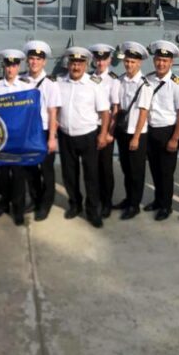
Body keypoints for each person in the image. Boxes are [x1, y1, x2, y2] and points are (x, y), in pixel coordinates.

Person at [56, 47, 111, 227]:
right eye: (73, 63)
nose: (76, 67)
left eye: (80, 63)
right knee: (69, 175)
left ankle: (93, 210)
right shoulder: (60, 83)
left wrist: (103, 134)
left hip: (88, 136)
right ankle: (75, 204)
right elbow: (55, 107)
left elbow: (105, 112)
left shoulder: (94, 84)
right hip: (66, 135)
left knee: (91, 176)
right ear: (68, 64)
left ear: (86, 65)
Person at [143, 40, 179, 221]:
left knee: (166, 173)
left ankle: (166, 206)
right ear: (154, 60)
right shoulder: (148, 80)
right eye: (158, 60)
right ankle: (157, 200)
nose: (161, 63)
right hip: (151, 130)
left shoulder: (177, 84)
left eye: (165, 60)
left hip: (168, 131)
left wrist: (175, 139)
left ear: (171, 62)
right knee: (155, 169)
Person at [0, 49, 32, 226]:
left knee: (19, 175)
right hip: (1, 137)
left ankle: (18, 209)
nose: (10, 69)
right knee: (3, 174)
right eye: (8, 65)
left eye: (14, 66)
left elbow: (30, 113)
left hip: (18, 138)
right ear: (4, 66)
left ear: (18, 67)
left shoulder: (25, 87)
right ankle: (4, 204)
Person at [23, 40, 62, 221]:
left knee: (46, 170)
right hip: (27, 133)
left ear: (44, 62)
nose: (34, 62)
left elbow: (53, 112)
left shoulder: (50, 84)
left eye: (38, 59)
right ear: (27, 60)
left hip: (44, 131)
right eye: (32, 58)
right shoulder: (22, 81)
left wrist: (52, 137)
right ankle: (35, 199)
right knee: (30, 169)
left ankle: (46, 204)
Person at [114, 42, 153, 220]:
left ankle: (134, 205)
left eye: (132, 62)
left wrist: (136, 137)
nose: (129, 65)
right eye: (127, 61)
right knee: (126, 169)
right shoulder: (120, 80)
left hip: (137, 133)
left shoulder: (144, 85)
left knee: (136, 172)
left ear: (139, 63)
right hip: (123, 131)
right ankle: (128, 199)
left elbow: (143, 112)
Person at [88, 43, 121, 218]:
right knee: (92, 167)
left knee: (105, 167)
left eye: (104, 59)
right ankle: (95, 200)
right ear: (94, 60)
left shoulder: (114, 80)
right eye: (98, 59)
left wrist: (110, 132)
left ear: (109, 60)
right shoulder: (87, 78)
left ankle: (107, 202)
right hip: (90, 127)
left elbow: (115, 108)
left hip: (105, 126)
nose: (100, 63)